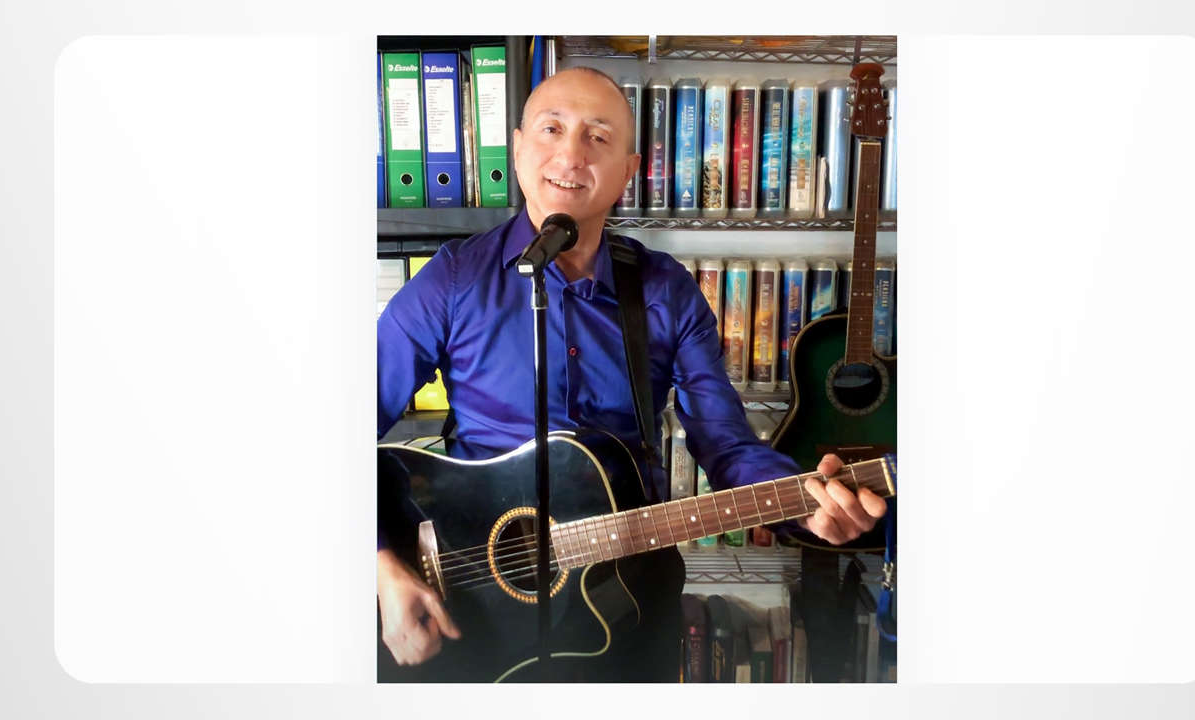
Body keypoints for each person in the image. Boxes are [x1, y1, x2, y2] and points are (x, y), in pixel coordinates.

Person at [376, 66, 886, 681]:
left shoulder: (666, 290)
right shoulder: (452, 279)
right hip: (468, 603)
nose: (571, 154)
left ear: (628, 170)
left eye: (598, 137)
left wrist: (803, 502)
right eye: (552, 129)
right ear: (516, 148)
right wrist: (382, 566)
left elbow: (726, 445)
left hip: (629, 600)